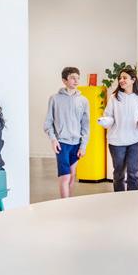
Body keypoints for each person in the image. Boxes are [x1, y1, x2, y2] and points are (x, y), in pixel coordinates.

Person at [98, 67, 138, 191]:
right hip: (117, 142)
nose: (121, 80)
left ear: (133, 80)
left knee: (134, 174)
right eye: (120, 78)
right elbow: (109, 117)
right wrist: (104, 121)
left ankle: (133, 199)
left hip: (135, 141)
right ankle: (119, 199)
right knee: (119, 174)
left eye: (124, 78)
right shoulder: (114, 97)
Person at [44, 67, 90, 198]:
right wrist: (53, 139)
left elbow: (86, 125)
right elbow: (48, 123)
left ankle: (69, 203)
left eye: (78, 78)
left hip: (76, 144)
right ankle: (64, 204)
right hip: (62, 144)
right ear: (64, 80)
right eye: (72, 78)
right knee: (65, 176)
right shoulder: (54, 99)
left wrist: (83, 146)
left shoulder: (83, 100)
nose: (76, 80)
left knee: (72, 175)